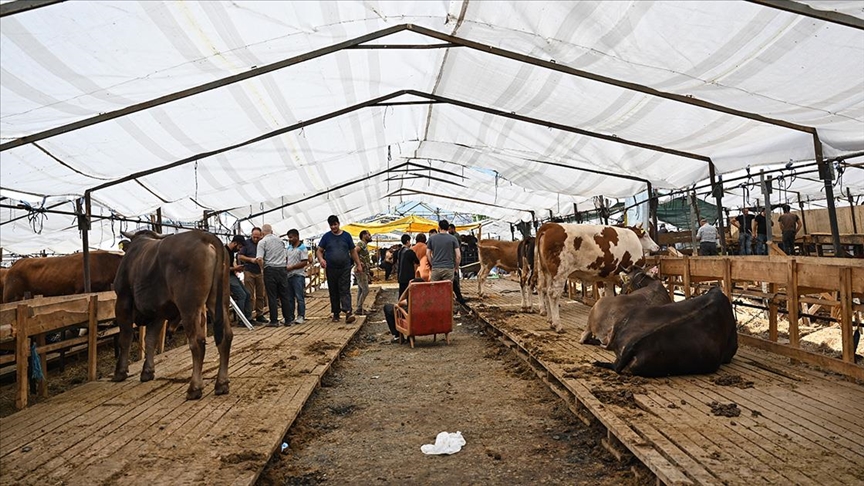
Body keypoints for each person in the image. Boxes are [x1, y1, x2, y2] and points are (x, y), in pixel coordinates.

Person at [316, 215, 362, 324]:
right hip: (331, 268)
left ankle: (348, 311)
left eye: (335, 224)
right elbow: (319, 251)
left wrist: (358, 264)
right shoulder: (326, 237)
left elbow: (353, 251)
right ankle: (336, 313)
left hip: (345, 267)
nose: (333, 227)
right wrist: (321, 260)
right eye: (331, 225)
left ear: (338, 223)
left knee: (345, 289)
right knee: (334, 290)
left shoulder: (346, 236)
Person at [256, 224, 290, 326]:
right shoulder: (280, 241)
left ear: (262, 233)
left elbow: (259, 258)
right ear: (272, 231)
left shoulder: (262, 242)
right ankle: (288, 319)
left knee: (272, 296)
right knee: (284, 295)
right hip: (282, 269)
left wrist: (262, 268)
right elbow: (286, 256)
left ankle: (274, 320)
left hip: (270, 269)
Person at [238, 227, 268, 323]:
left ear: (261, 236)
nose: (255, 239)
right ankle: (249, 315)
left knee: (260, 294)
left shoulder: (263, 243)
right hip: (249, 271)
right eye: (254, 237)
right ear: (251, 235)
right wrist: (251, 260)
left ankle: (260, 314)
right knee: (249, 295)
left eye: (257, 237)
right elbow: (240, 256)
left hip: (260, 272)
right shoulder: (246, 244)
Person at [383, 278, 425, 342]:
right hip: (423, 316)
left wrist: (407, 288)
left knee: (388, 308)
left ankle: (397, 336)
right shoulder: (427, 296)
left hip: (410, 316)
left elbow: (400, 301)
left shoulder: (412, 295)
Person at [226, 235, 252, 322]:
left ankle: (248, 317)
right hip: (226, 277)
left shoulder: (231, 252)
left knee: (248, 294)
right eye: (239, 247)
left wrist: (237, 268)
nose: (239, 249)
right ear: (235, 243)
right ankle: (242, 320)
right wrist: (235, 268)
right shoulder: (224, 251)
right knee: (242, 295)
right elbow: (221, 268)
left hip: (232, 275)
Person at [285, 228, 308, 325]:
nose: (289, 239)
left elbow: (304, 262)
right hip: (289, 275)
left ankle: (301, 315)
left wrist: (292, 267)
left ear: (296, 237)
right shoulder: (288, 248)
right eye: (289, 238)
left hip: (298, 275)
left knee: (299, 297)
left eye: (291, 237)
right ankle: (290, 316)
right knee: (290, 297)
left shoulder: (302, 248)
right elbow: (286, 259)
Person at [427, 219, 461, 283]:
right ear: (448, 228)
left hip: (436, 268)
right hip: (449, 268)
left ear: (439, 227)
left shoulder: (431, 238)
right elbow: (458, 256)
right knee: (447, 289)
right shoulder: (453, 238)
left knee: (434, 290)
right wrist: (456, 267)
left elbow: (428, 253)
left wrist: (432, 263)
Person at [448, 223, 468, 306]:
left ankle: (457, 296)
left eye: (450, 229)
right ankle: (458, 296)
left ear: (453, 229)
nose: (449, 231)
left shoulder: (455, 236)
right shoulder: (453, 237)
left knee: (455, 279)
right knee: (454, 279)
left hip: (453, 259)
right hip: (453, 259)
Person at [355, 230, 374, 315]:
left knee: (360, 290)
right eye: (368, 235)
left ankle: (359, 308)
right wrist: (358, 263)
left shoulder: (364, 245)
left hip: (363, 270)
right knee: (366, 290)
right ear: (364, 235)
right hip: (360, 270)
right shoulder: (361, 244)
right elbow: (354, 251)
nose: (370, 236)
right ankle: (359, 308)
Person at [396, 234, 420, 298]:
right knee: (409, 294)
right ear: (407, 241)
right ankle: (408, 306)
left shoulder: (399, 251)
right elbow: (417, 261)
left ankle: (399, 306)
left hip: (400, 276)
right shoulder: (409, 252)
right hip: (408, 276)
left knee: (401, 293)